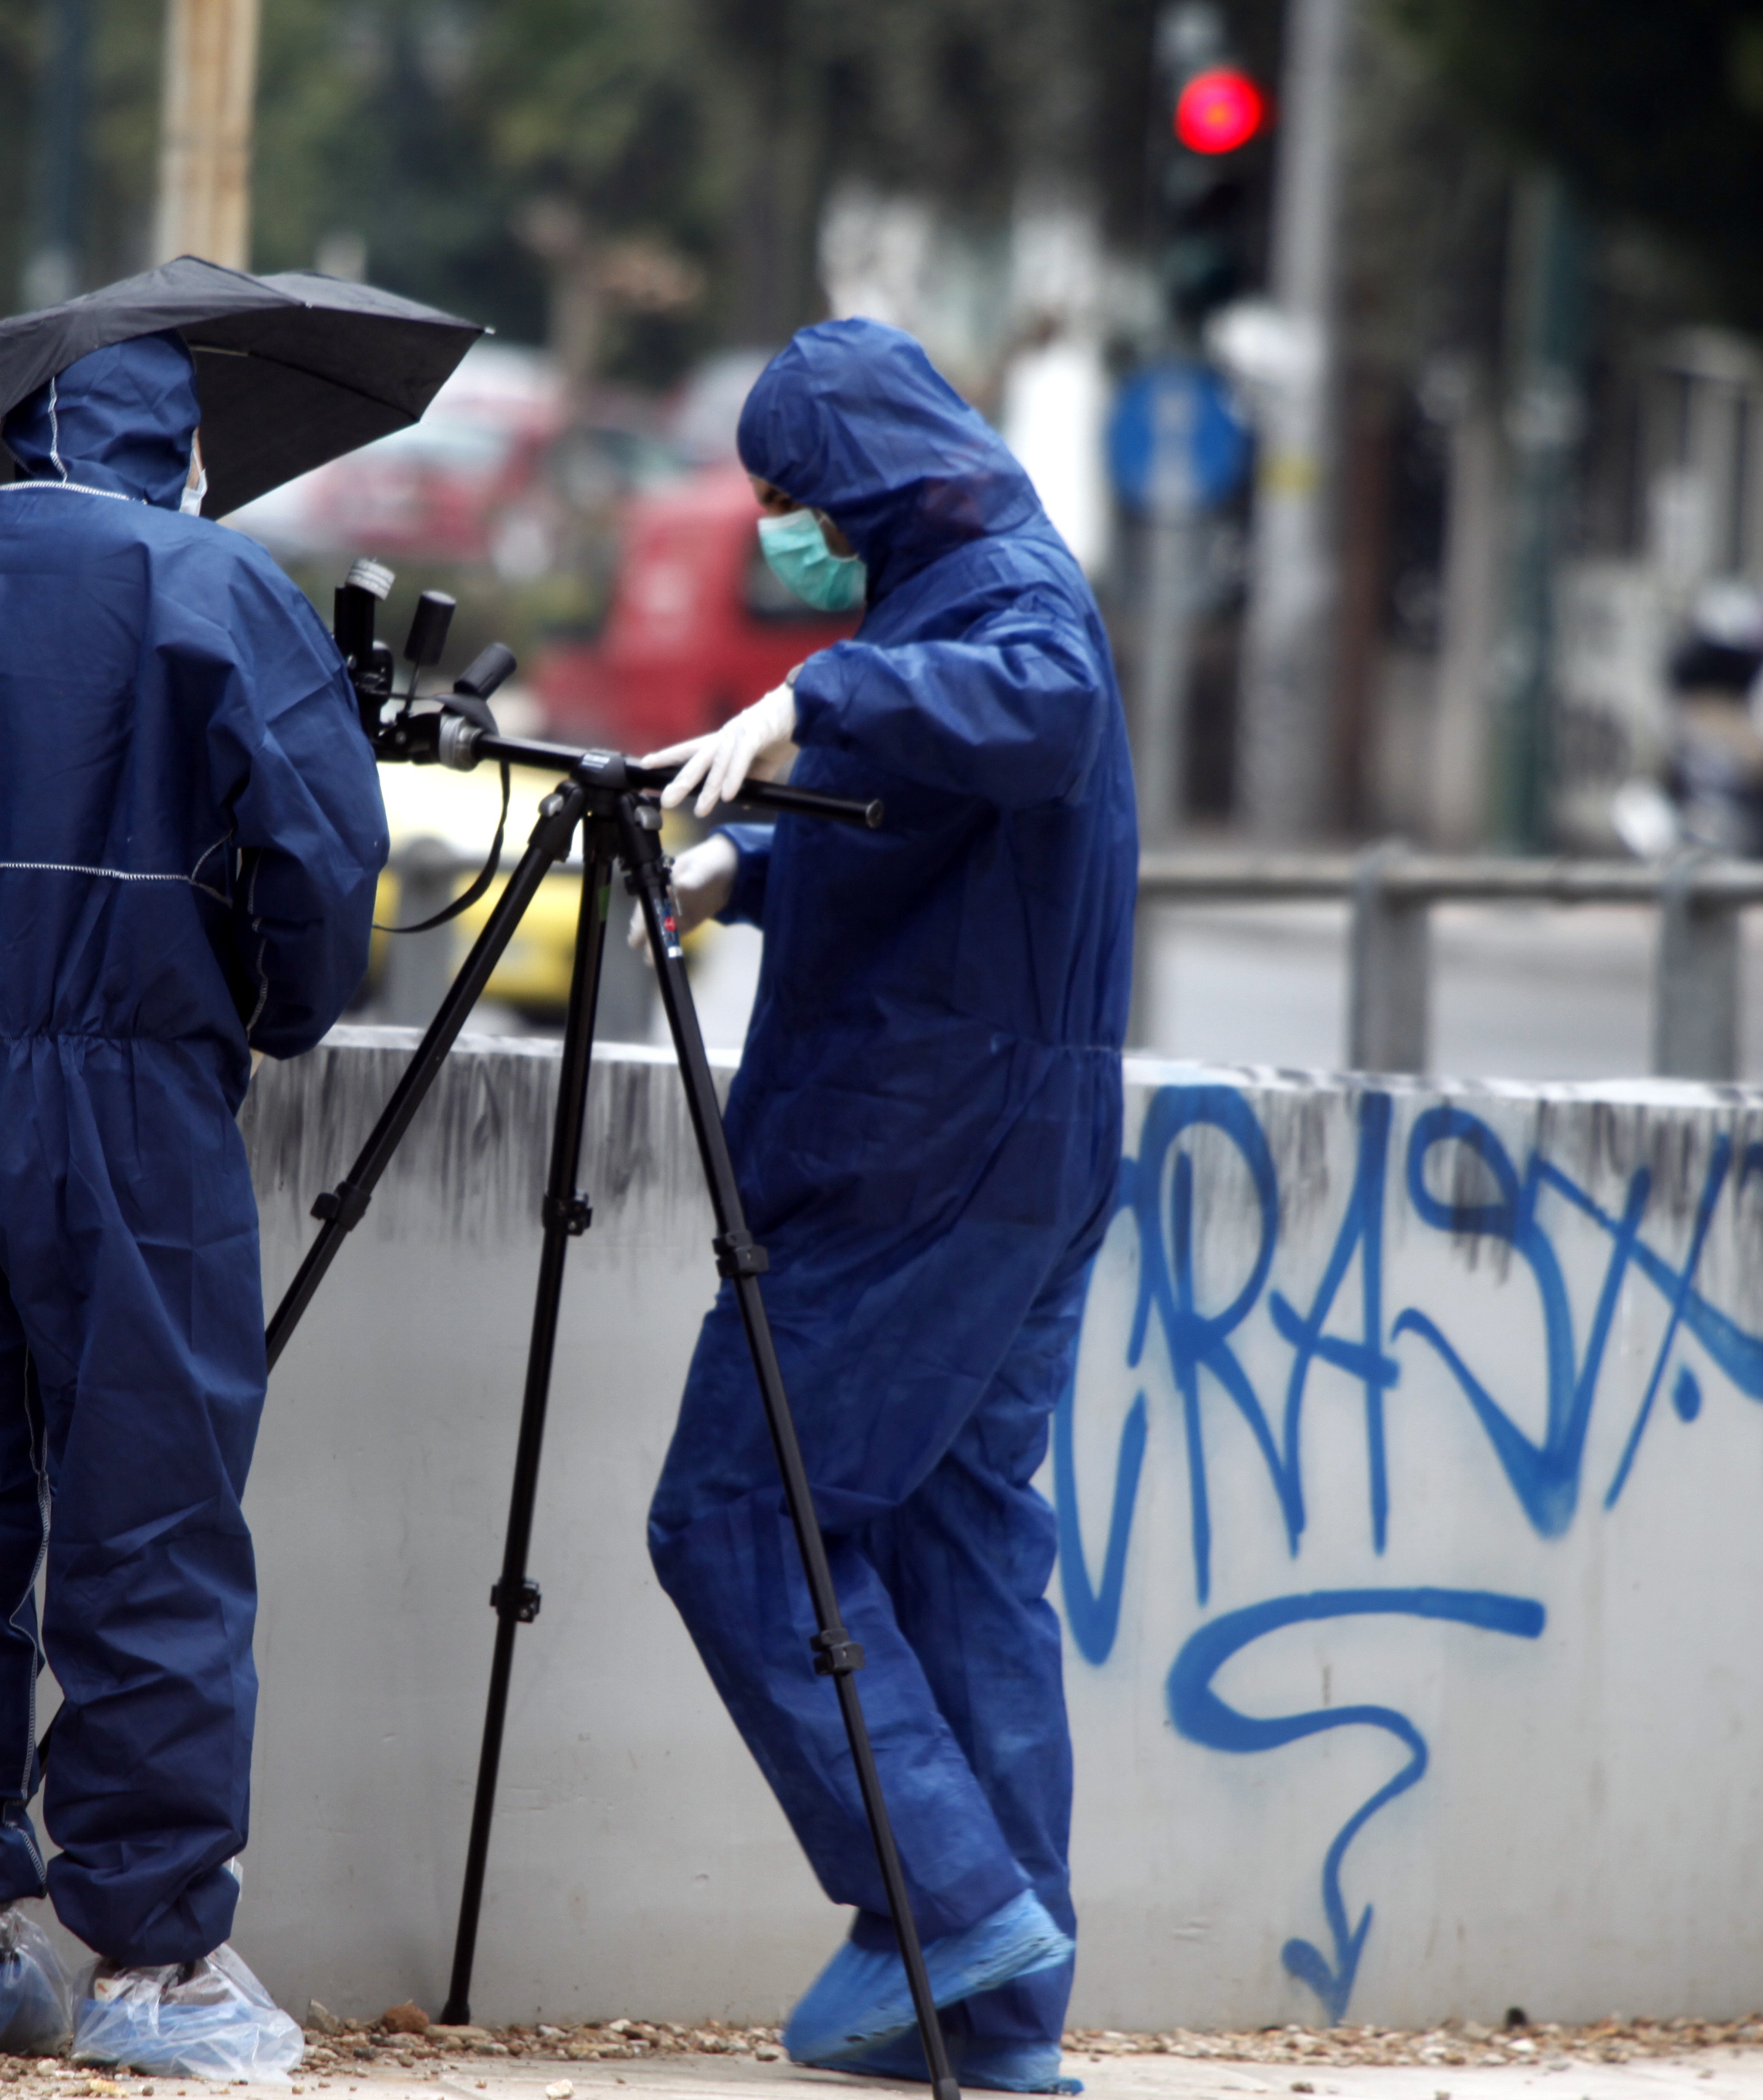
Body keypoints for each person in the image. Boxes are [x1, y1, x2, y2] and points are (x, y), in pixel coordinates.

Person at [0, 333, 387, 2071]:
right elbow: (322, 857)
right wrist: (280, 1009)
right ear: (181, 443)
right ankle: (151, 1966)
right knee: (148, 1524)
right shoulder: (209, 578)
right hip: (121, 1096)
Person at [636, 318, 1138, 2096]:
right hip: (1024, 1145)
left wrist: (805, 700)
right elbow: (932, 823)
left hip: (916, 1153)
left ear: (860, 475)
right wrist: (741, 857)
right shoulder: (948, 596)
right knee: (957, 1553)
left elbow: (1035, 711)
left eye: (792, 495)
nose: (783, 527)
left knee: (735, 1517)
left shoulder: (999, 596)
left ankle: (949, 1907)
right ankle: (997, 2021)